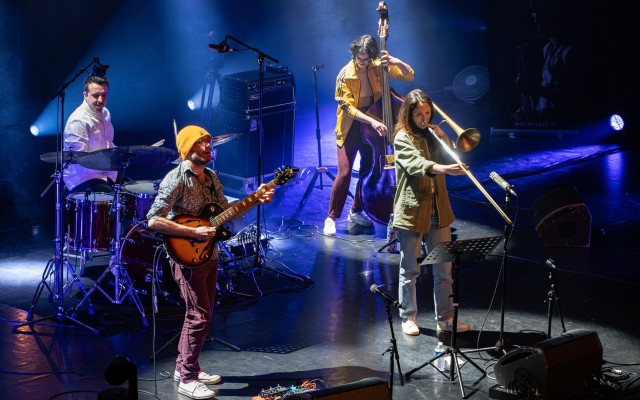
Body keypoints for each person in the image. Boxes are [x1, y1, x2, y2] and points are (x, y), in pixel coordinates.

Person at [146, 125, 275, 399]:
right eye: (201, 142)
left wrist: (256, 199)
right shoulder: (176, 178)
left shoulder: (211, 177)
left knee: (202, 313)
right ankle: (187, 378)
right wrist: (192, 232)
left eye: (208, 142)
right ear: (188, 148)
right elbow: (154, 220)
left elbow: (225, 213)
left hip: (209, 252)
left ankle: (185, 367)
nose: (208, 146)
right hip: (186, 256)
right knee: (198, 315)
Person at [391, 89, 471, 336]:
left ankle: (445, 319)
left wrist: (444, 138)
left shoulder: (433, 135)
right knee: (410, 270)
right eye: (419, 114)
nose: (424, 118)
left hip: (439, 210)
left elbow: (450, 156)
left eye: (427, 113)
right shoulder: (402, 137)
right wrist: (444, 169)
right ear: (409, 115)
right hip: (412, 211)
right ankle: (408, 317)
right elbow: (417, 165)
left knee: (444, 270)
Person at [323, 34, 414, 236]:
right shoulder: (345, 74)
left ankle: (356, 210)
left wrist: (396, 62)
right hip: (352, 125)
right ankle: (331, 217)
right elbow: (347, 107)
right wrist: (371, 121)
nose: (362, 62)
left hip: (374, 125)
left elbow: (408, 76)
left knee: (367, 171)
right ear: (354, 54)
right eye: (359, 58)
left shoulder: (378, 66)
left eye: (366, 59)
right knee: (345, 171)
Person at [63, 74, 118, 193]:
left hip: (104, 174)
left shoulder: (105, 113)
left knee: (134, 189)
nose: (101, 100)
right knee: (112, 197)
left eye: (104, 95)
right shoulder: (78, 121)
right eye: (96, 95)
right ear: (85, 95)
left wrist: (122, 155)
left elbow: (108, 143)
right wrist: (109, 164)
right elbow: (79, 161)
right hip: (81, 178)